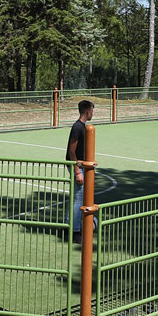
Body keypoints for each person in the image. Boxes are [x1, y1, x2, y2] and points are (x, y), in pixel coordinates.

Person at [65, 100, 96, 234]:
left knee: (78, 198)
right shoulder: (77, 127)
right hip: (77, 165)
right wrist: (77, 171)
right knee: (78, 198)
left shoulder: (83, 127)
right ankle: (75, 231)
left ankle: (70, 225)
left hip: (80, 165)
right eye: (92, 111)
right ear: (88, 111)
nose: (92, 114)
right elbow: (72, 151)